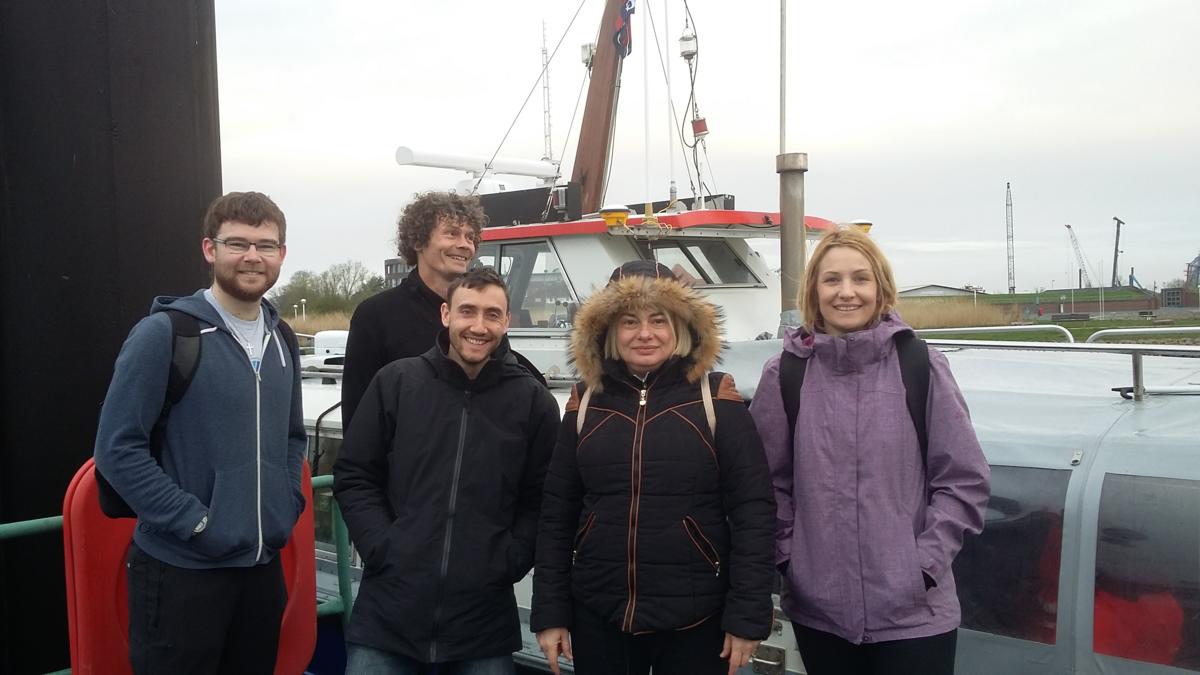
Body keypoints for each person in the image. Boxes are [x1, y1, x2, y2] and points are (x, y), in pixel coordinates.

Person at [749, 227, 990, 675]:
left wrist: (923, 567)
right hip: (820, 614)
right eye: (832, 280)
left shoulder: (921, 366)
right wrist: (792, 559)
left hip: (917, 616)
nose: (846, 292)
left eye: (860, 279)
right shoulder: (785, 375)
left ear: (880, 288)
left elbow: (963, 479)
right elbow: (766, 484)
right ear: (814, 291)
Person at [93, 191, 307, 674]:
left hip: (261, 572)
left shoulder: (283, 339)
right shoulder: (164, 334)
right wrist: (196, 522)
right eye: (237, 243)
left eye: (265, 245)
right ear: (210, 249)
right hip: (181, 573)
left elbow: (294, 436)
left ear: (281, 254)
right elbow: (117, 448)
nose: (252, 256)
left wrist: (286, 503)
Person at [531, 261, 776, 675]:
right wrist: (550, 611)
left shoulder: (715, 398)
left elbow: (754, 509)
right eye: (629, 321)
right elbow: (557, 512)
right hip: (599, 616)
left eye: (659, 320)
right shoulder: (584, 402)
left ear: (680, 327)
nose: (644, 333)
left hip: (697, 620)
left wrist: (747, 615)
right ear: (608, 330)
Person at [334, 266, 560, 674]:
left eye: (492, 314)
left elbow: (542, 498)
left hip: (483, 622)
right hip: (389, 614)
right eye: (467, 311)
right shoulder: (396, 383)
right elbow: (355, 474)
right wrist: (382, 546)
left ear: (507, 321)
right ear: (446, 315)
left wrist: (509, 560)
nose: (479, 326)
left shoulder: (533, 401)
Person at [341, 191, 542, 430]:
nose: (464, 244)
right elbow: (358, 417)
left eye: (470, 237)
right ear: (418, 241)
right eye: (452, 233)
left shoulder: (483, 316)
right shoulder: (376, 315)